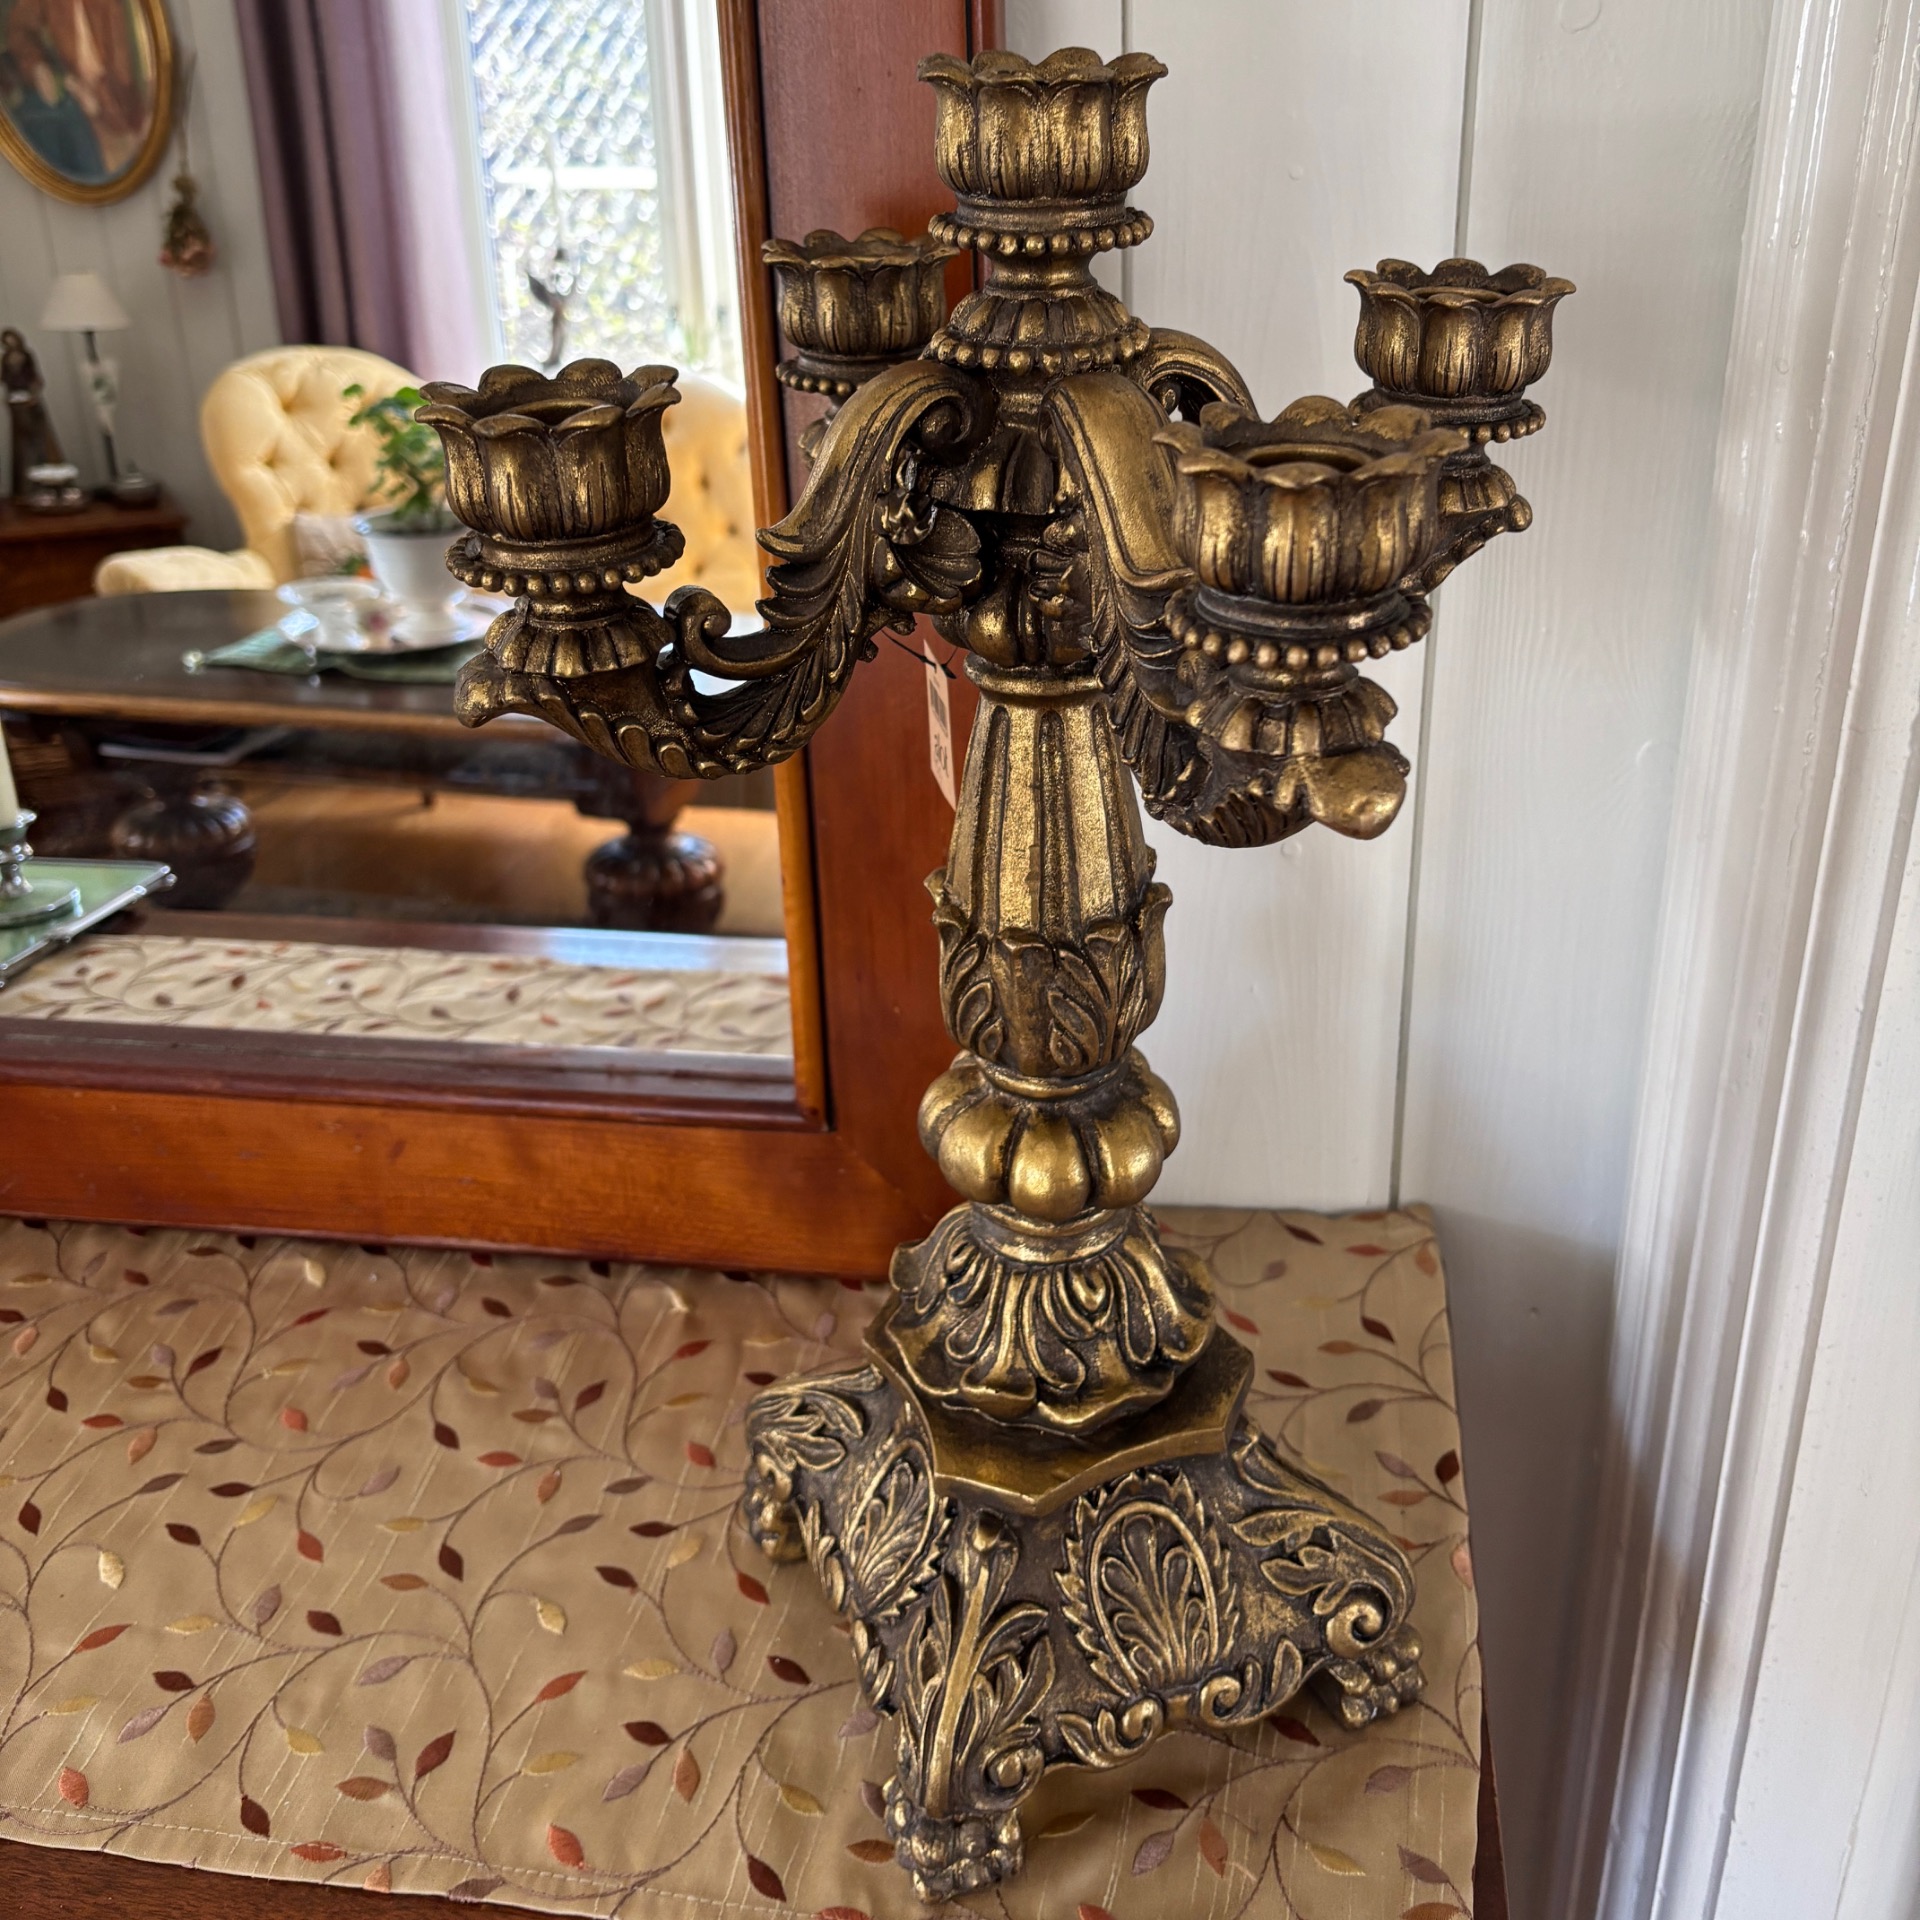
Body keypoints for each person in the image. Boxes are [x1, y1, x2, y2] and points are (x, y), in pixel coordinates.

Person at [3, 0, 148, 183]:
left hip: (120, 115)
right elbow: (19, 28)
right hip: (76, 100)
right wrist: (37, 67)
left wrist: (98, 103)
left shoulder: (113, 6)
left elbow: (124, 78)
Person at [2, 327, 65, 497]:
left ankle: (52, 482)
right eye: (7, 340)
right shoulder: (5, 358)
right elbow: (4, 378)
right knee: (22, 443)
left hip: (30, 400)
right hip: (15, 401)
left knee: (41, 438)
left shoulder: (27, 355)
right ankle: (25, 486)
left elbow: (35, 378)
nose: (10, 342)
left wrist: (33, 394)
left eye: (12, 339)